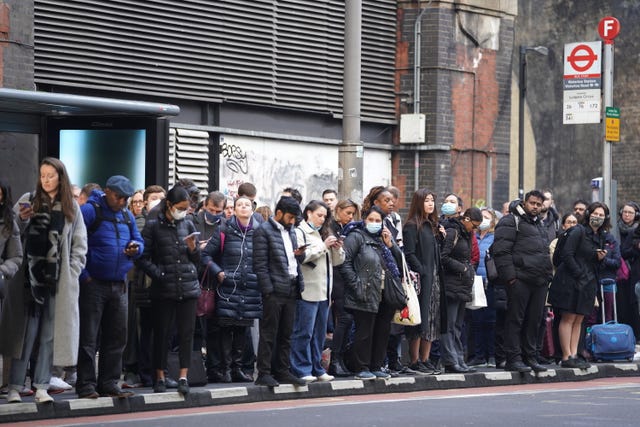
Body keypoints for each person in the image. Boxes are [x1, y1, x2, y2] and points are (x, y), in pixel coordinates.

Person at [1, 158, 87, 404]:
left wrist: (73, 272)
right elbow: (10, 232)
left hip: (58, 281)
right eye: (42, 175)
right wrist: (24, 218)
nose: (46, 180)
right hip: (28, 280)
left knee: (50, 335)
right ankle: (15, 387)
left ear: (61, 177)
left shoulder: (72, 207)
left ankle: (41, 386)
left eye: (51, 175)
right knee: (24, 336)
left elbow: (80, 245)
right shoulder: (29, 199)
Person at [76, 175, 143, 399]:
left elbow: (138, 240)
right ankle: (86, 385)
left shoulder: (126, 214)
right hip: (93, 282)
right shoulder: (90, 210)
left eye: (126, 198)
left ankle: (109, 382)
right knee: (89, 337)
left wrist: (136, 249)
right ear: (107, 191)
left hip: (119, 283)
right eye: (119, 197)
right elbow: (74, 241)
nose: (123, 202)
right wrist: (84, 276)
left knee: (117, 336)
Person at [137, 186, 201, 395]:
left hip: (188, 286)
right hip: (164, 289)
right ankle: (160, 377)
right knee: (161, 334)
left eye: (186, 208)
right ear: (169, 205)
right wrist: (160, 275)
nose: (183, 211)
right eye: (180, 208)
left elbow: (197, 260)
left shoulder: (188, 223)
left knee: (185, 334)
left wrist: (193, 249)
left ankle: (183, 376)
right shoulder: (153, 227)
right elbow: (143, 258)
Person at [338, 205, 403, 380]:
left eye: (378, 221)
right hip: (365, 292)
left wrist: (391, 245)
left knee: (382, 331)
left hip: (385, 293)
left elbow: (400, 263)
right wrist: (356, 285)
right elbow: (344, 262)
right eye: (371, 220)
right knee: (364, 332)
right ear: (364, 220)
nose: (374, 223)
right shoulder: (356, 236)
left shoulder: (383, 240)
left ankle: (376, 365)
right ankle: (362, 367)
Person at [492, 191, 553, 373]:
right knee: (515, 320)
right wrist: (511, 278)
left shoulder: (539, 224)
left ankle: (531, 357)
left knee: (534, 320)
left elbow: (544, 252)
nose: (535, 206)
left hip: (539, 281)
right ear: (525, 202)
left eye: (538, 204)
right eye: (532, 203)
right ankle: (513, 358)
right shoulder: (510, 221)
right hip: (520, 280)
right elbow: (501, 251)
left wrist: (547, 276)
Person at [200, 196, 259, 383]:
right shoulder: (224, 229)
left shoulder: (259, 231)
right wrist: (218, 272)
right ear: (233, 210)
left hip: (250, 287)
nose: (243, 207)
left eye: (246, 205)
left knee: (242, 329)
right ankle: (224, 369)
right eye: (239, 205)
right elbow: (205, 254)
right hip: (227, 287)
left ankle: (238, 369)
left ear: (252, 209)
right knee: (226, 328)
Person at [549, 202, 614, 369]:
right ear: (588, 214)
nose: (597, 217)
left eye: (601, 215)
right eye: (595, 213)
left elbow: (596, 262)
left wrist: (600, 259)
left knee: (579, 319)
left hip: (588, 282)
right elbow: (567, 254)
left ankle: (574, 353)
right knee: (568, 317)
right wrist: (578, 274)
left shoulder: (600, 236)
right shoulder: (578, 231)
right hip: (570, 280)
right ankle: (566, 356)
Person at [253, 196, 307, 387]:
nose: (292, 222)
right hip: (274, 291)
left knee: (286, 333)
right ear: (279, 213)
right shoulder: (263, 231)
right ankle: (264, 373)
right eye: (290, 217)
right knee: (269, 333)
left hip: (291, 288)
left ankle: (282, 371)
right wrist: (268, 291)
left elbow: (293, 260)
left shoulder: (291, 231)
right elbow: (260, 265)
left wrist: (300, 255)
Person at [291, 200, 345, 383]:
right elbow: (302, 257)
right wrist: (323, 245)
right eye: (319, 215)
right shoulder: (300, 232)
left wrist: (337, 249)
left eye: (324, 216)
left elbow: (337, 262)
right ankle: (301, 368)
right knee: (304, 332)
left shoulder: (324, 232)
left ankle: (317, 367)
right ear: (308, 213)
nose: (322, 219)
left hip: (324, 292)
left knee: (319, 334)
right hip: (307, 291)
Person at [402, 189, 446, 375]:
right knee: (419, 320)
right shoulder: (412, 225)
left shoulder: (433, 225)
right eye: (426, 200)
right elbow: (410, 253)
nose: (430, 204)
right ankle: (414, 360)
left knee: (432, 319)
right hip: (422, 280)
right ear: (418, 202)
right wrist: (422, 271)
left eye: (432, 200)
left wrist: (442, 238)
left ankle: (425, 359)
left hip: (435, 279)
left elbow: (436, 253)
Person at [439, 207, 482, 374]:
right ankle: (450, 360)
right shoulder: (453, 232)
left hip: (462, 285)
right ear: (466, 219)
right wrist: (463, 269)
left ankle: (458, 359)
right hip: (451, 284)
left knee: (457, 325)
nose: (475, 229)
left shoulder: (467, 234)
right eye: (475, 225)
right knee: (449, 324)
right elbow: (444, 256)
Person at [327, 198, 359, 377]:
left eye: (353, 214)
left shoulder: (348, 228)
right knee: (344, 319)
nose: (350, 217)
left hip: (345, 277)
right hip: (336, 278)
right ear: (338, 210)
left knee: (347, 319)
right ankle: (335, 360)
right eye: (348, 213)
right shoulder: (331, 227)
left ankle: (340, 358)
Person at [467, 208, 498, 368]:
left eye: (487, 217)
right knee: (476, 320)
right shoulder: (473, 236)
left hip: (490, 282)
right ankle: (478, 355)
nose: (484, 220)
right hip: (475, 282)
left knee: (491, 320)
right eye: (482, 217)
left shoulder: (496, 237)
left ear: (492, 221)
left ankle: (491, 355)